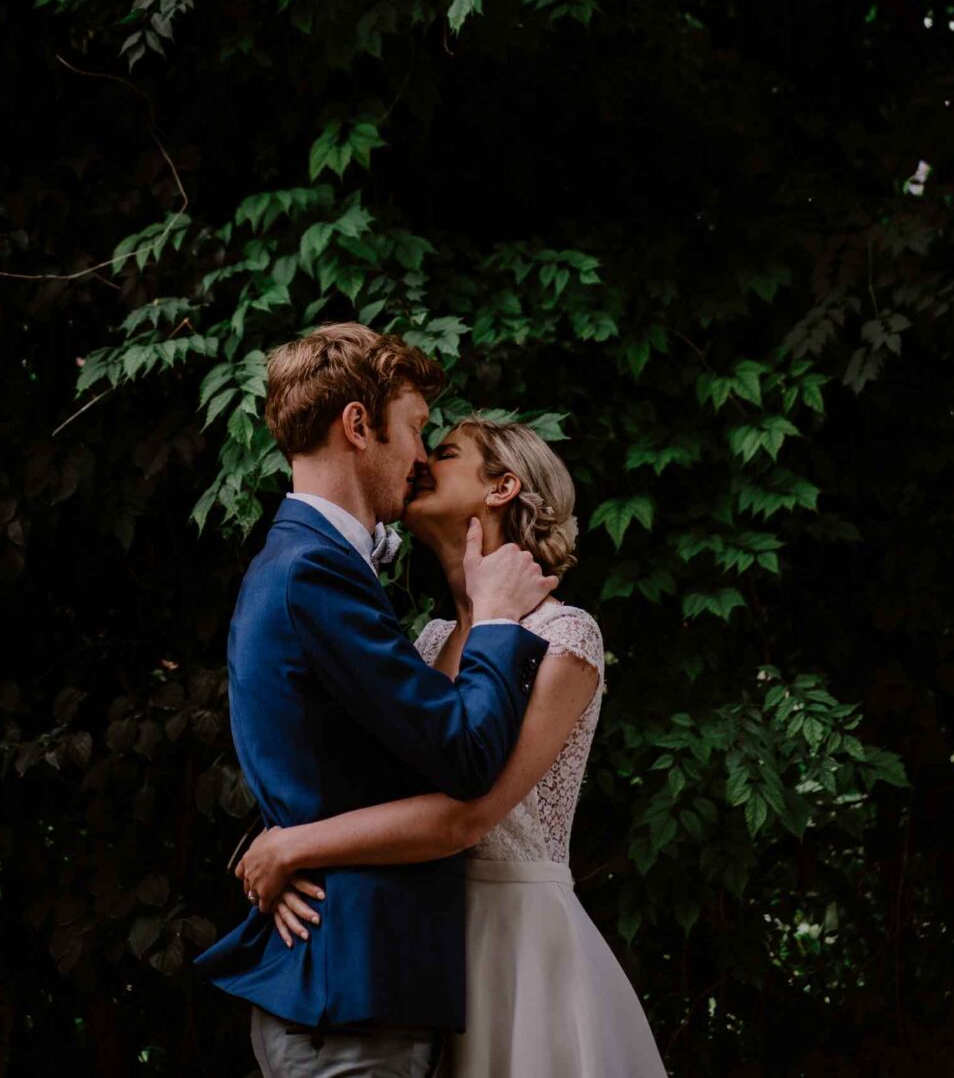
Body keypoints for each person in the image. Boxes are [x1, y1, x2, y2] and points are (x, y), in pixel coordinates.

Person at [236, 415, 668, 1078]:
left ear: (502, 486)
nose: (418, 461)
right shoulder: (428, 641)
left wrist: (293, 847)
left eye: (444, 451)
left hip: (519, 949)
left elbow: (468, 817)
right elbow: (354, 775)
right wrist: (269, 844)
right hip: (415, 946)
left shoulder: (565, 636)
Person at [193, 324, 558, 1078]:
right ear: (359, 426)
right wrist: (493, 620)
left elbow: (318, 757)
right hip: (351, 994)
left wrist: (285, 842)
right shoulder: (312, 570)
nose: (422, 456)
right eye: (418, 428)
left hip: (360, 992)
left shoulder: (301, 561)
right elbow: (462, 753)